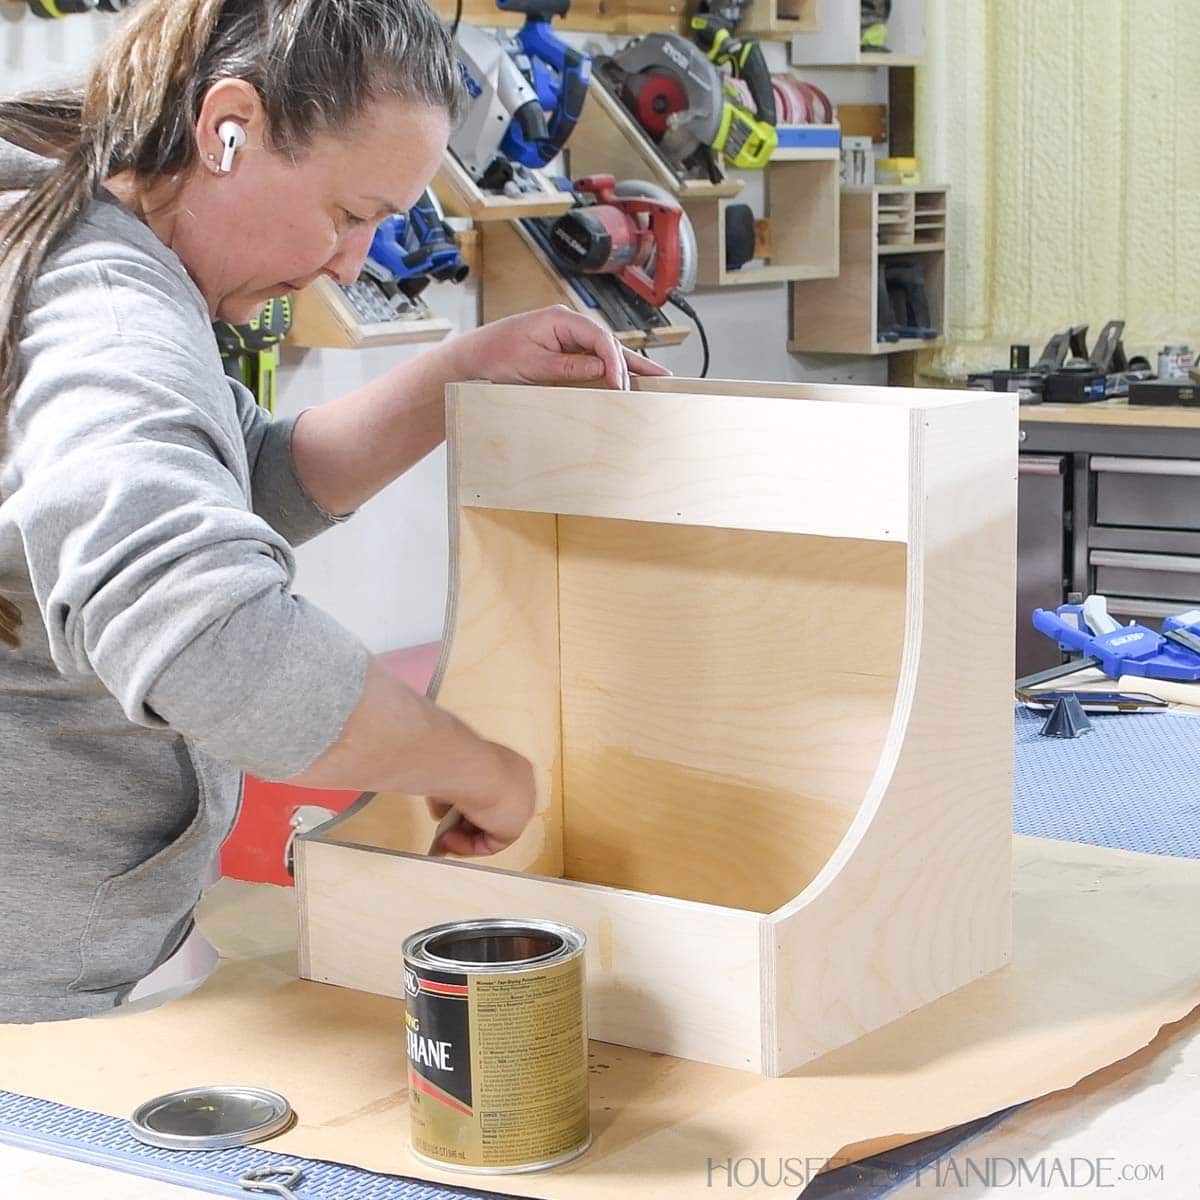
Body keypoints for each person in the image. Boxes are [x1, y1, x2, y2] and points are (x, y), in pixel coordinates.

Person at [0, 0, 668, 1023]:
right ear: (231, 127)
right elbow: (213, 645)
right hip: (39, 996)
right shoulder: (107, 308)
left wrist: (461, 373)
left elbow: (235, 480)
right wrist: (475, 767)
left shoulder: (70, 238)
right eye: (350, 215)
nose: (352, 264)